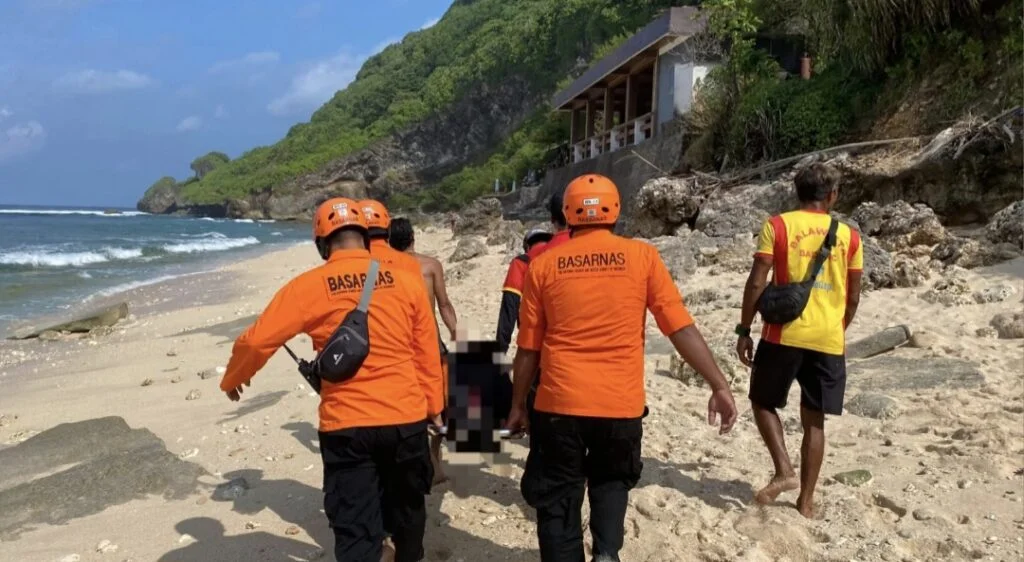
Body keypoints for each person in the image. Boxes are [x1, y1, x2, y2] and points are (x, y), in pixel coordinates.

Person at [505, 174, 738, 562]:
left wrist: (517, 405)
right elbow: (679, 327)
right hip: (620, 405)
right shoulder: (642, 257)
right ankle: (607, 553)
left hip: (559, 404)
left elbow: (528, 350)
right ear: (616, 210)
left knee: (559, 499)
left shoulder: (543, 266)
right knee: (611, 482)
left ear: (568, 213)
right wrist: (719, 384)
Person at [219, 198, 444, 562]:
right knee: (408, 512)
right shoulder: (406, 279)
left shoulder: (308, 285)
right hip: (406, 417)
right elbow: (426, 350)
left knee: (355, 525)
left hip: (347, 424)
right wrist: (434, 406)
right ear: (365, 238)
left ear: (323, 243)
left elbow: (258, 340)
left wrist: (234, 378)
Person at [735, 163, 863, 519]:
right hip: (828, 337)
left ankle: (784, 470)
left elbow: (757, 282)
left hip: (783, 334)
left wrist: (744, 329)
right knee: (814, 420)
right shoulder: (850, 237)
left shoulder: (777, 226)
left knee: (762, 401)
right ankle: (806, 503)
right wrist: (837, 328)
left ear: (797, 192)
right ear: (833, 196)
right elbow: (853, 297)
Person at [388, 216, 459, 485]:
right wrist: (456, 333)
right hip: (431, 344)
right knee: (439, 405)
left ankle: (412, 462)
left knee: (408, 405)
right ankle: (434, 459)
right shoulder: (430, 265)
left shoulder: (382, 270)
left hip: (400, 345)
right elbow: (444, 305)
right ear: (413, 237)